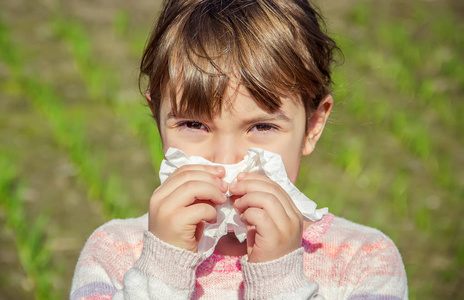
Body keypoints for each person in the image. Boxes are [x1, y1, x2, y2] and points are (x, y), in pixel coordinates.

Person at [70, 0, 408, 299]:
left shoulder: (365, 261)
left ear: (313, 126)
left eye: (262, 127)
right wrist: (162, 268)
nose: (225, 159)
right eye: (194, 125)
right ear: (158, 119)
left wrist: (279, 281)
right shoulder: (114, 253)